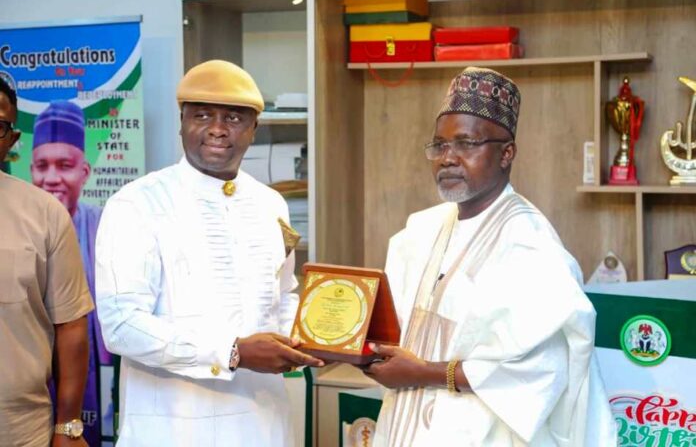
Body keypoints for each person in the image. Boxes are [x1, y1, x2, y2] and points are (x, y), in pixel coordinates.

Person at [363, 67, 617, 446]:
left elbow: (544, 370)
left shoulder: (531, 247)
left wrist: (424, 373)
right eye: (440, 146)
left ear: (506, 153)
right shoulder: (420, 231)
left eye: (466, 144)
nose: (448, 158)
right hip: (404, 426)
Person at [95, 60, 323, 446]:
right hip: (172, 427)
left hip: (262, 423)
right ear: (181, 122)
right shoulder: (136, 204)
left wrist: (312, 342)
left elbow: (283, 297)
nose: (217, 129)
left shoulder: (271, 205)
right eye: (202, 115)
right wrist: (233, 352)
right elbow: (122, 326)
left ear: (254, 129)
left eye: (234, 118)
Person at [0, 78, 93, 445]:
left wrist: (67, 426)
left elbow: (71, 325)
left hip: (20, 429)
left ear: (11, 140)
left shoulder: (45, 215)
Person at [31, 100, 110, 446]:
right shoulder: (14, 225)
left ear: (85, 172)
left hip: (98, 389)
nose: (51, 179)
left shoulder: (106, 226)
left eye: (64, 165)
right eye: (41, 166)